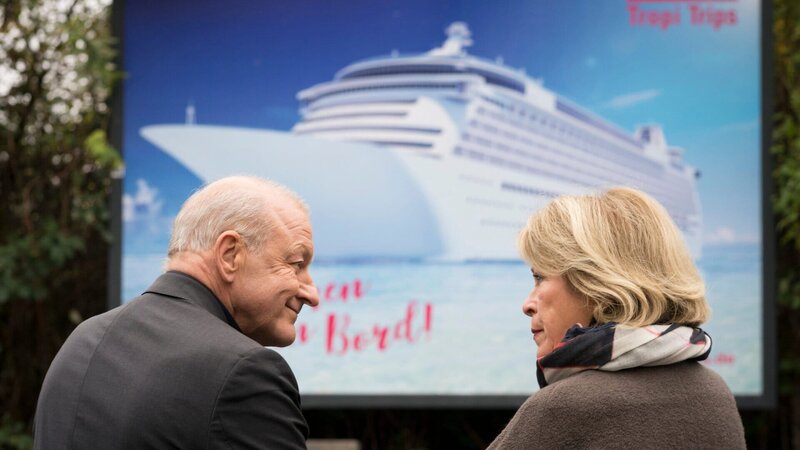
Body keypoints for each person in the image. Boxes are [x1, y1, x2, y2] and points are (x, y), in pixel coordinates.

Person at [34, 176, 320, 449]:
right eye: (296, 263)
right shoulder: (244, 373)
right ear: (230, 255)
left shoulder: (83, 341)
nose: (311, 294)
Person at [488, 187, 746, 449]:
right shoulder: (715, 392)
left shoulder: (563, 407)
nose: (527, 305)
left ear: (596, 284)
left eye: (540, 277)